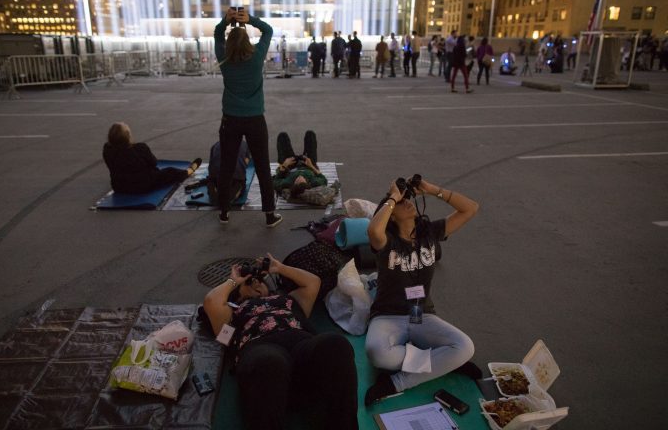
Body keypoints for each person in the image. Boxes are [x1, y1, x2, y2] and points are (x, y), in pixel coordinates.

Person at [202, 254, 359, 430]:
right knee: (270, 362)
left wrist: (279, 268)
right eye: (248, 282)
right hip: (261, 350)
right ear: (237, 296)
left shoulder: (288, 300)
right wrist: (234, 280)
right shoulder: (234, 313)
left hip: (302, 348)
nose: (255, 282)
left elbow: (313, 282)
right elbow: (211, 302)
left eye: (259, 279)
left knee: (336, 344)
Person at [363, 177, 480, 406]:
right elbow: (373, 230)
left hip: (420, 313)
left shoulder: (430, 233)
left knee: (466, 346)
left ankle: (397, 382)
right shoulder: (386, 242)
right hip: (388, 315)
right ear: (391, 215)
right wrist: (392, 197)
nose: (407, 202)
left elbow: (470, 208)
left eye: (408, 199)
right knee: (376, 352)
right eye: (401, 203)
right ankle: (441, 362)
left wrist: (432, 189)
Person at [214, 7, 282, 227]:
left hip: (230, 120)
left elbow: (217, 33)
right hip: (255, 120)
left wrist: (226, 21)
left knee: (227, 164)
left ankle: (224, 212)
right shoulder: (256, 58)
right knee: (262, 166)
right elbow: (268, 31)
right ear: (247, 42)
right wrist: (250, 19)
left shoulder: (224, 59)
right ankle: (269, 214)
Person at [102, 122, 201, 194]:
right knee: (170, 171)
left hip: (119, 187)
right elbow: (153, 162)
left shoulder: (107, 150)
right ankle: (189, 171)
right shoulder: (139, 148)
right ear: (128, 136)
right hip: (142, 185)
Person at [273, 131, 327, 199]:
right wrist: (312, 166)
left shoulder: (287, 183)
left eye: (296, 181)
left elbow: (275, 181)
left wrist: (284, 165)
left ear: (294, 184)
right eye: (301, 180)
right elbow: (324, 179)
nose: (299, 177)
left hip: (290, 165)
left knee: (282, 136)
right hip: (307, 165)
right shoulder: (313, 182)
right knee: (310, 134)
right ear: (306, 183)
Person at [206, 139, 251, 206]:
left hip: (216, 174)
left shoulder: (216, 144)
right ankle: (231, 195)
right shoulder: (244, 144)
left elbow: (211, 165)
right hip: (235, 175)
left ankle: (212, 186)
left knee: (213, 179)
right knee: (239, 183)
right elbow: (246, 162)